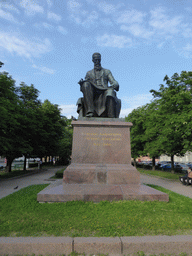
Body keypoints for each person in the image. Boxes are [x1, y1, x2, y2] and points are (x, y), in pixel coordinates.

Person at [77, 52, 121, 118]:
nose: (97, 61)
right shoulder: (89, 73)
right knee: (85, 84)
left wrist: (115, 83)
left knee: (110, 92)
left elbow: (113, 81)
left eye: (98, 60)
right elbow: (85, 88)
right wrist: (82, 84)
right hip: (93, 92)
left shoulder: (107, 71)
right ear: (93, 60)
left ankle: (111, 116)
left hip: (104, 90)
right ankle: (90, 111)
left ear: (100, 60)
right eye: (95, 60)